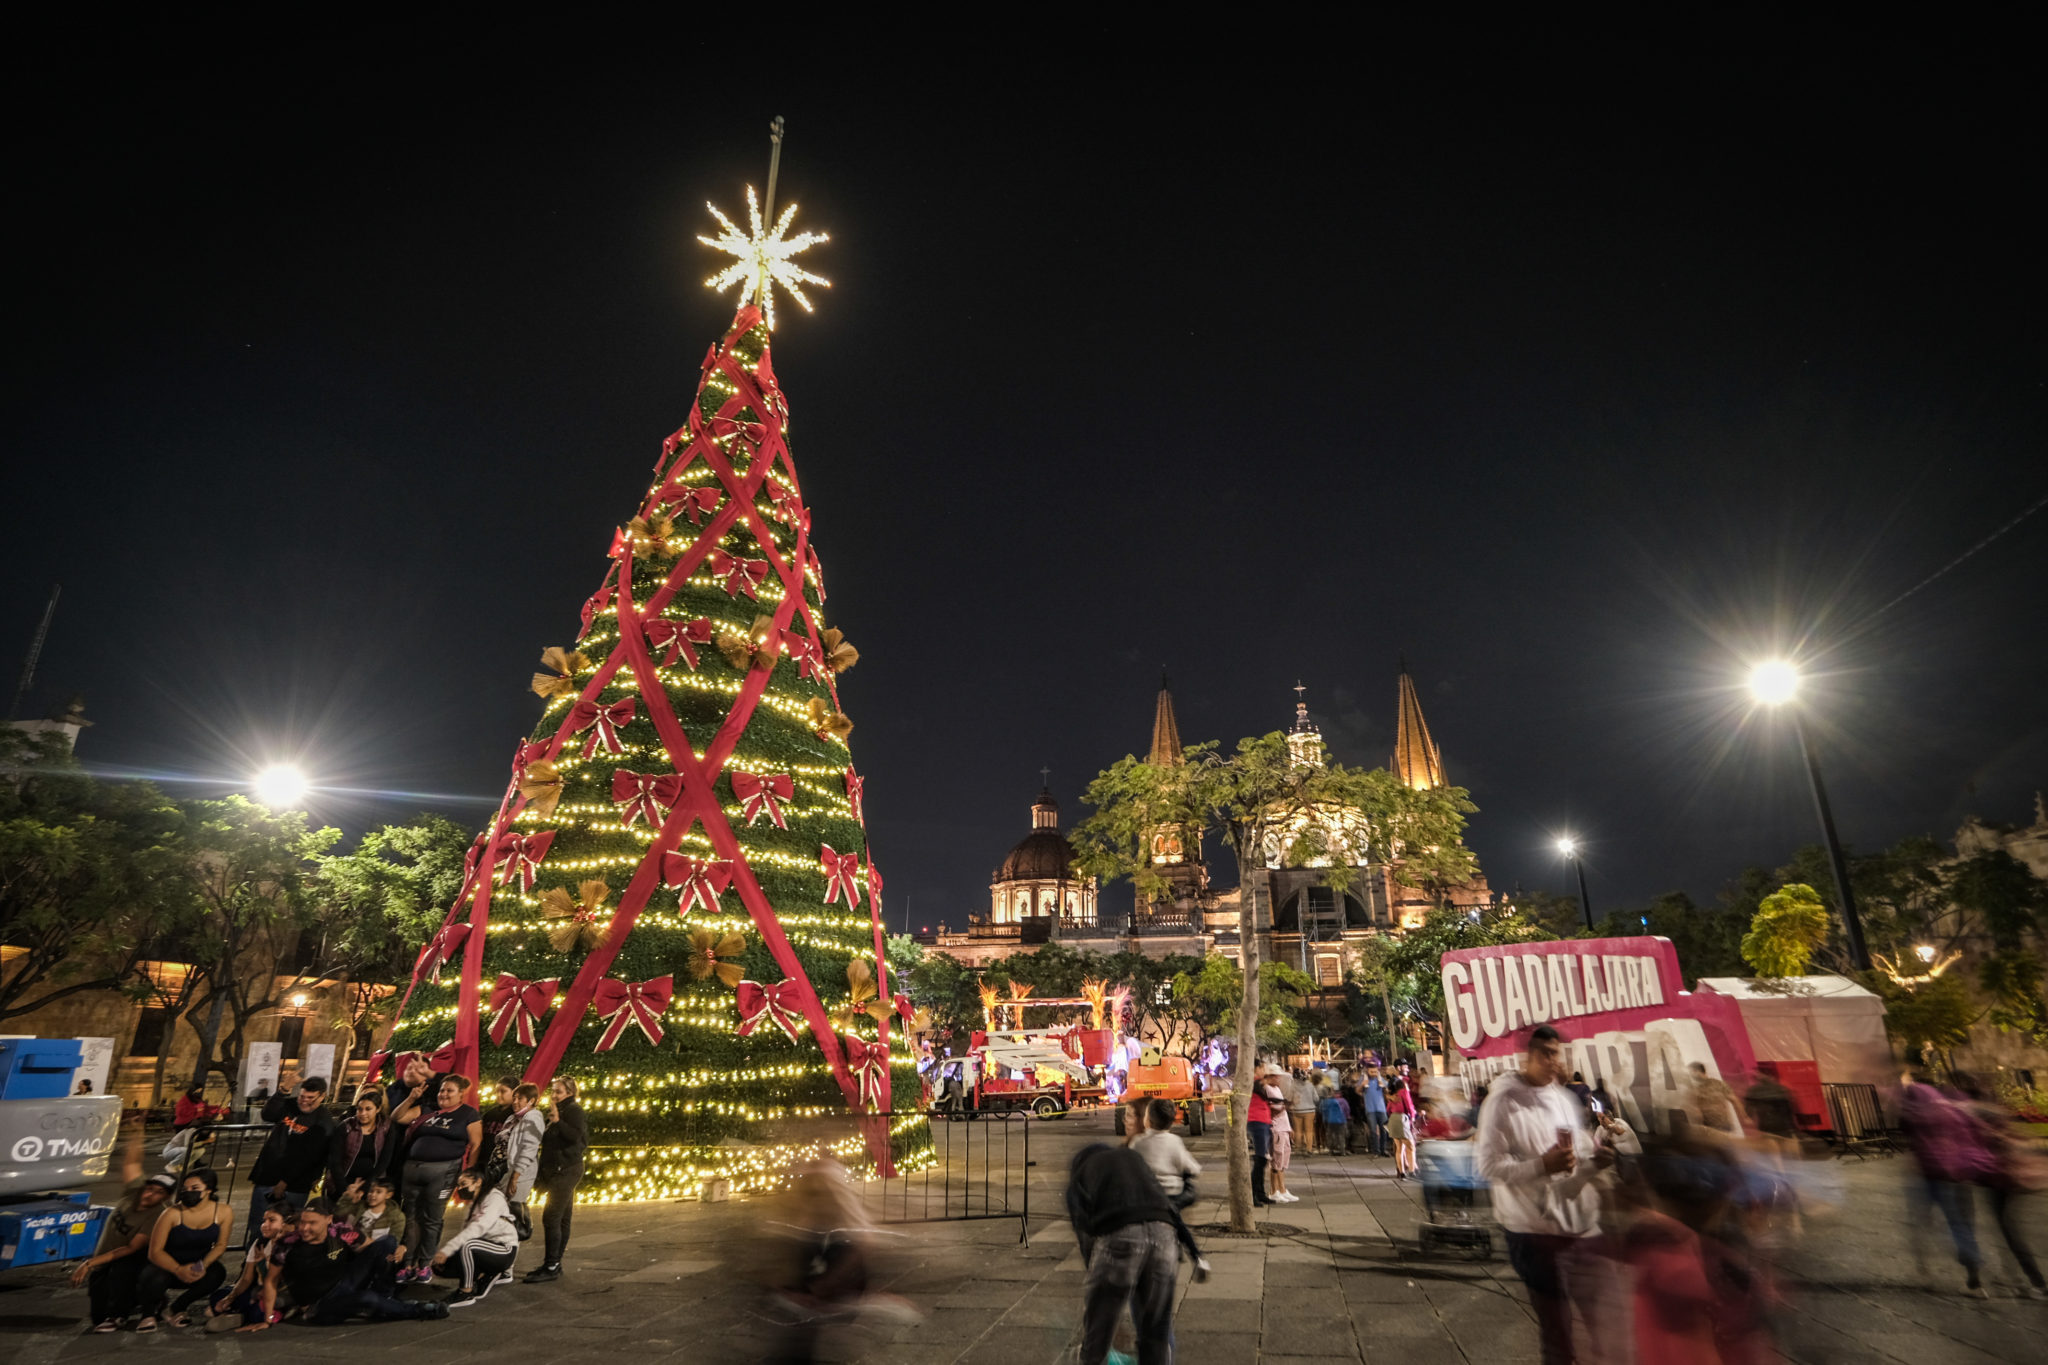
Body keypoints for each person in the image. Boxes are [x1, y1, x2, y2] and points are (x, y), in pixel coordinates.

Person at [1475, 1025, 1620, 1365]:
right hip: (1534, 1233)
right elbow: (1487, 1166)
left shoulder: (1565, 1098)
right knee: (1558, 1334)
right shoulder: (1502, 1101)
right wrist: (1541, 1165)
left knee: (1603, 1326)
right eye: (1546, 1053)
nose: (1554, 1061)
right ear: (1525, 1055)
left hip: (1581, 1227)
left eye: (1557, 1053)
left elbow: (1576, 1157)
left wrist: (1595, 1162)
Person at [1066, 1141, 1196, 1365]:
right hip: (1165, 1237)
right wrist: (1196, 1253)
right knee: (1156, 1332)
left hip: (1120, 1237)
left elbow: (1085, 1234)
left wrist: (1098, 1280)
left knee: (1097, 1338)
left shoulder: (1080, 1176)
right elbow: (1169, 1208)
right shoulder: (1134, 1160)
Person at [245, 1198, 448, 1328]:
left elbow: (373, 1250)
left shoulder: (339, 1231)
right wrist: (267, 1320)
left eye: (312, 1223)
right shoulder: (288, 1244)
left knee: (387, 1243)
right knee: (367, 1298)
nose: (305, 1228)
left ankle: (385, 1298)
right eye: (303, 1222)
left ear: (328, 1220)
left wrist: (391, 1259)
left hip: (342, 1285)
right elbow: (271, 1281)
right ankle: (418, 1310)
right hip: (318, 1306)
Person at [1898, 1069, 1992, 1296]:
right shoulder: (1952, 1107)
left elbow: (1905, 1129)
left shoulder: (1914, 1105)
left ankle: (1924, 1269)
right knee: (1961, 1223)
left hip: (1929, 1172)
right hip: (1959, 1171)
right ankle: (1974, 1276)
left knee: (1922, 1220)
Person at [1953, 1071, 2047, 1296]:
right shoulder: (1995, 1109)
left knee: (2006, 1228)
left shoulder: (1968, 1111)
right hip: (2009, 1175)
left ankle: (2035, 1282)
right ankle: (2023, 1278)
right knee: (2007, 1227)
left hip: (1994, 1176)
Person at [393, 1072, 481, 1282]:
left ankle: (425, 1264)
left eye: (450, 1090)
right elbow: (397, 1117)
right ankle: (408, 1263)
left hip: (443, 1172)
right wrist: (411, 1098)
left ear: (461, 1094)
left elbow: (476, 1144)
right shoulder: (428, 1110)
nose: (444, 1094)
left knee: (432, 1218)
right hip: (413, 1170)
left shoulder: (468, 1114)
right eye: (442, 1090)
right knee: (411, 1217)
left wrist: (470, 1172)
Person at [134, 1167, 232, 1332]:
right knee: (154, 1276)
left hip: (196, 1264)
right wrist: (178, 1269)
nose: (188, 1192)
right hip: (167, 1265)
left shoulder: (223, 1211)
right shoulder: (171, 1214)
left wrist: (202, 1265)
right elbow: (155, 1252)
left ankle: (177, 1308)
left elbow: (221, 1245)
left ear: (209, 1190)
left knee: (217, 1273)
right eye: (185, 1189)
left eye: (195, 1188)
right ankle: (148, 1314)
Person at [73, 1173, 173, 1332]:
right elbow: (131, 1164)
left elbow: (131, 1248)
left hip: (125, 1259)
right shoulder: (132, 1194)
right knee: (97, 1316)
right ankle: (147, 1298)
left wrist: (88, 1263)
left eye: (159, 1192)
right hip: (103, 1257)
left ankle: (123, 1313)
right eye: (149, 1189)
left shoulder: (158, 1215)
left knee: (121, 1273)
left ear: (167, 1197)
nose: (150, 1194)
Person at [244, 1076, 336, 1244]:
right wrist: (282, 1092)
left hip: (295, 1185)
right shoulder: (290, 1105)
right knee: (259, 1225)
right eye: (302, 1096)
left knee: (288, 1230)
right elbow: (268, 1114)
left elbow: (309, 1157)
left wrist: (284, 1182)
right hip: (267, 1175)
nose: (305, 1101)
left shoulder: (324, 1121)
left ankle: (277, 1265)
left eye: (310, 1098)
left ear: (322, 1096)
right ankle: (252, 1261)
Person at [526, 1075, 588, 1282]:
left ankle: (552, 1264)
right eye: (553, 1091)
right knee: (562, 1217)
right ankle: (554, 1263)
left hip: (567, 1168)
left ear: (570, 1093)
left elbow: (576, 1137)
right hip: (558, 1168)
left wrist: (558, 1122)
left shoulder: (574, 1111)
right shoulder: (557, 1111)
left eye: (558, 1091)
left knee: (551, 1216)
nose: (553, 1095)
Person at [433, 1166, 519, 1305]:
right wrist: (446, 1255)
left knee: (469, 1245)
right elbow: (466, 1231)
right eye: (459, 1185)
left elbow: (479, 1227)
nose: (460, 1189)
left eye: (463, 1184)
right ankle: (486, 1274)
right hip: (484, 1247)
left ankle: (465, 1292)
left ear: (478, 1182)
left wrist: (447, 1249)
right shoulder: (473, 1204)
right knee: (441, 1266)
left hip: (504, 1249)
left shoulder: (494, 1197)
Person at [206, 1205, 293, 1332]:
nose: (265, 1225)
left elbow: (283, 1281)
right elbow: (246, 1279)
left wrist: (267, 1262)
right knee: (218, 1297)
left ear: (285, 1223)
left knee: (261, 1308)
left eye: (272, 1220)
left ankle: (241, 1317)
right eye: (264, 1220)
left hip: (279, 1291)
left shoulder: (290, 1245)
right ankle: (238, 1313)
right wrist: (230, 1297)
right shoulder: (260, 1243)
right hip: (258, 1290)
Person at [495, 1082, 546, 1239]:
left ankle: (515, 1239)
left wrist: (515, 1177)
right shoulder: (513, 1118)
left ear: (531, 1101)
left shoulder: (533, 1118)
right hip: (506, 1169)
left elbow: (529, 1149)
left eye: (520, 1098)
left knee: (514, 1211)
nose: (515, 1102)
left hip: (520, 1172)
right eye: (514, 1097)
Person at [1130, 1099, 1201, 1209]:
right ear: (1171, 1122)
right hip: (1171, 1195)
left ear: (1147, 1120)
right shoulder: (1174, 1141)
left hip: (1144, 1196)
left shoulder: (1137, 1142)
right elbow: (1193, 1168)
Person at [326, 1088, 397, 1197]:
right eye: (359, 1109)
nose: (363, 1113)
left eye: (368, 1109)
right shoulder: (346, 1126)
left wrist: (365, 1187)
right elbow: (335, 1160)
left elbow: (384, 1160)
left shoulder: (386, 1127)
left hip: (371, 1183)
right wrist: (344, 1189)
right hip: (343, 1181)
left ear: (378, 1109)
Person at [335, 1176, 409, 1269]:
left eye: (378, 1192)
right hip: (353, 1250)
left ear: (388, 1195)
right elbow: (338, 1215)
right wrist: (348, 1196)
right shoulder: (360, 1207)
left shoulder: (396, 1215)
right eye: (371, 1191)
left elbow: (394, 1241)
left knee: (389, 1244)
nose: (373, 1195)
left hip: (377, 1255)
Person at [1246, 1062, 1277, 1208]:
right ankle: (1252, 1194)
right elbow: (1260, 1088)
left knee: (1263, 1159)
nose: (1265, 1071)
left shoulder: (1259, 1083)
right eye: (1263, 1068)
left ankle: (1260, 1193)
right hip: (1257, 1121)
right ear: (1256, 1068)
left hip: (1263, 1121)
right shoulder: (1253, 1082)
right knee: (1260, 1159)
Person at [1266, 1070, 1298, 1203]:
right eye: (1275, 1076)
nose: (1278, 1078)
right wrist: (1287, 1105)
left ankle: (1282, 1189)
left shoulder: (1276, 1089)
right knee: (1276, 1162)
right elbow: (1273, 1109)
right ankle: (1274, 1191)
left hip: (1283, 1128)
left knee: (1283, 1161)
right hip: (1276, 1128)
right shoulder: (1266, 1089)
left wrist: (1289, 1127)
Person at [1686, 1062, 1740, 1133]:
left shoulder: (1718, 1084)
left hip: (1722, 1125)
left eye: (1690, 1072)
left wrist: (1744, 1117)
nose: (1690, 1075)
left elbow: (1734, 1099)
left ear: (1697, 1071)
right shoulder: (1693, 1089)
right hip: (1708, 1127)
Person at [1387, 1075, 1418, 1179]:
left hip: (1393, 1119)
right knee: (1411, 1146)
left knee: (1399, 1148)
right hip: (1402, 1119)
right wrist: (1413, 1117)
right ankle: (1412, 1170)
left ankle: (1401, 1172)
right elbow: (1409, 1106)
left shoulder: (1393, 1096)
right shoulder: (1404, 1092)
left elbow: (1388, 1110)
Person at [1362, 1066, 1390, 1158]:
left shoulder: (1380, 1079)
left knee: (1384, 1130)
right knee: (1373, 1131)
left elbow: (1388, 1090)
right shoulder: (1364, 1080)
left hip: (1381, 1108)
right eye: (1371, 1072)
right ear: (1368, 1071)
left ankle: (1383, 1149)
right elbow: (1357, 1090)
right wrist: (1362, 1085)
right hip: (1370, 1109)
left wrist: (1383, 1085)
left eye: (1375, 1071)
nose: (1373, 1073)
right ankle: (1376, 1151)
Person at [1287, 1067, 1317, 1155]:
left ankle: (1298, 1148)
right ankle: (1309, 1149)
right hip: (1310, 1110)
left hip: (1296, 1110)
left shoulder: (1292, 1085)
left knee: (1298, 1130)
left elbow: (1289, 1097)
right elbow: (1316, 1098)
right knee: (1309, 1130)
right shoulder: (1310, 1085)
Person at [1319, 1086, 1352, 1157]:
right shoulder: (1343, 1101)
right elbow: (1347, 1109)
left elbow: (1322, 1110)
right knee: (1341, 1135)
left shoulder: (1326, 1101)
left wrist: (1325, 1119)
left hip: (1330, 1121)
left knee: (1331, 1136)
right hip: (1341, 1120)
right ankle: (1342, 1151)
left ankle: (1331, 1150)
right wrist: (1347, 1117)